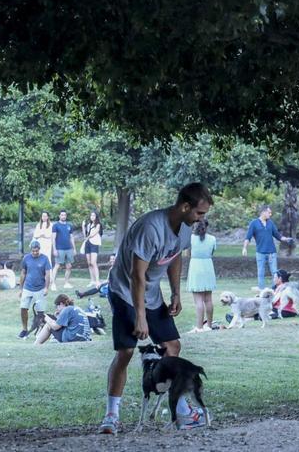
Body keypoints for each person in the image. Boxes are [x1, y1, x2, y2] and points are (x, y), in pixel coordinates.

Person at [98, 182, 213, 435]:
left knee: (172, 346)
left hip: (150, 294)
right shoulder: (151, 228)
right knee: (127, 350)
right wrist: (140, 317)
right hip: (124, 290)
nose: (201, 219)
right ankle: (111, 415)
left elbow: (175, 257)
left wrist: (175, 292)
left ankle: (181, 410)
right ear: (185, 206)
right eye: (199, 213)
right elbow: (136, 275)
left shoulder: (184, 229)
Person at [242, 205, 292, 289]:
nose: (270, 214)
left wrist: (286, 239)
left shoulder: (270, 223)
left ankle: (275, 291)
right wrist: (244, 248)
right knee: (261, 273)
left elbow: (277, 235)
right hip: (260, 252)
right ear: (263, 212)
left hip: (272, 252)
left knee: (275, 273)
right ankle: (262, 292)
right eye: (269, 212)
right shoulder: (254, 223)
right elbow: (248, 237)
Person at [186, 219, 217, 333]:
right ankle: (208, 325)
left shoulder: (190, 238)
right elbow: (212, 253)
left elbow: (188, 253)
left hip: (196, 267)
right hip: (208, 267)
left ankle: (199, 327)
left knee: (198, 300)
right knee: (208, 299)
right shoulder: (212, 239)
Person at [17, 240, 52, 340]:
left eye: (36, 251)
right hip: (28, 287)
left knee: (40, 313)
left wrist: (46, 288)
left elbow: (48, 274)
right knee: (23, 308)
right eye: (33, 251)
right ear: (31, 250)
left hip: (40, 288)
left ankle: (41, 332)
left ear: (39, 249)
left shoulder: (44, 259)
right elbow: (23, 273)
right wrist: (20, 288)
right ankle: (24, 329)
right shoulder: (26, 258)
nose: (35, 253)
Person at [51, 210, 77, 290]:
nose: (63, 216)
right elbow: (53, 238)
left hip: (69, 249)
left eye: (64, 215)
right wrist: (54, 249)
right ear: (59, 216)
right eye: (62, 215)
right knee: (57, 266)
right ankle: (53, 284)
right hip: (59, 249)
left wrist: (74, 248)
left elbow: (71, 238)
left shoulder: (69, 225)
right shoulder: (55, 225)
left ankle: (66, 283)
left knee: (69, 266)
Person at [82, 211, 104, 288]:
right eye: (91, 215)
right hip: (88, 243)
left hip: (94, 244)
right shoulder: (89, 225)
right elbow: (85, 235)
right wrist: (83, 226)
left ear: (96, 216)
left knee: (93, 262)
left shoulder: (98, 225)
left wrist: (87, 237)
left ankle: (97, 280)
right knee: (89, 263)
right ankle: (92, 280)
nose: (92, 217)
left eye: (94, 215)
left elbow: (93, 234)